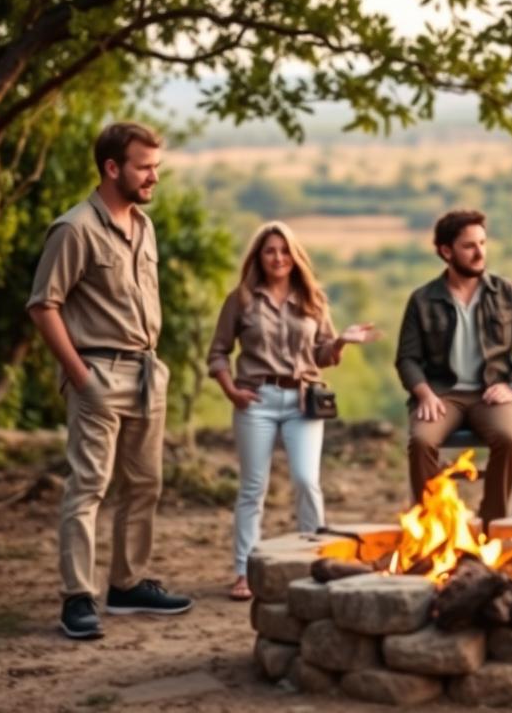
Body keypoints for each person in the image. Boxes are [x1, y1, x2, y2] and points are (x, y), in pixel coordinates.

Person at [27, 122, 193, 640]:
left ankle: (127, 584)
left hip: (147, 372)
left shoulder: (143, 226)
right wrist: (80, 375)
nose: (153, 178)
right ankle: (77, 597)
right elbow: (43, 304)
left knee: (145, 483)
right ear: (112, 168)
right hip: (98, 373)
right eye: (144, 168)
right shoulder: (74, 228)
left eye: (156, 168)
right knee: (89, 486)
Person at [207, 221, 381, 601]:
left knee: (306, 481)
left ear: (295, 256)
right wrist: (231, 391)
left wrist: (340, 342)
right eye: (270, 251)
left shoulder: (313, 299)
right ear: (259, 256)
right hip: (256, 400)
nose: (278, 258)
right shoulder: (241, 300)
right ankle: (244, 571)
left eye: (285, 251)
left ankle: (316, 563)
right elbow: (218, 352)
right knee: (254, 488)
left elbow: (322, 356)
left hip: (303, 402)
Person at [395, 209, 512, 528]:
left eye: (483, 243)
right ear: (446, 251)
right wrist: (424, 395)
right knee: (421, 441)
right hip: (441, 395)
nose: (479, 253)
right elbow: (406, 359)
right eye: (469, 246)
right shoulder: (422, 300)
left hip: (489, 394)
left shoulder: (507, 293)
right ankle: (432, 526)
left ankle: (492, 523)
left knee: (507, 438)